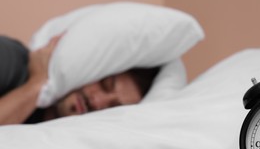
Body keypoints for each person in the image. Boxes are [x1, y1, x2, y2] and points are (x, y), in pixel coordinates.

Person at [0, 35, 160, 125]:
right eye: (104, 84)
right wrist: (36, 84)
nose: (97, 102)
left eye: (113, 107)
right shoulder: (9, 59)